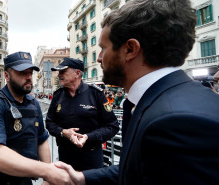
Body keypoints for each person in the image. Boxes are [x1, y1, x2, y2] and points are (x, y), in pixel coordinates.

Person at [55, 0, 219, 184]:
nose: (99, 58)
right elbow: (140, 168)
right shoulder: (155, 102)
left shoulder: (178, 122)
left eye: (103, 48)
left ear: (130, 49)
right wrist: (81, 178)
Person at [0, 51, 73, 185]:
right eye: (22, 73)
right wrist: (47, 171)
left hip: (25, 180)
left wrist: (48, 179)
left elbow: (42, 140)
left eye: (30, 73)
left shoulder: (33, 103)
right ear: (7, 76)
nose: (28, 77)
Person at [46, 57, 119, 171]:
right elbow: (50, 123)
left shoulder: (95, 94)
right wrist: (63, 132)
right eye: (59, 71)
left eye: (63, 71)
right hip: (66, 158)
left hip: (91, 158)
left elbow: (112, 126)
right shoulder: (58, 95)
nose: (59, 74)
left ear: (77, 73)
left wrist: (88, 137)